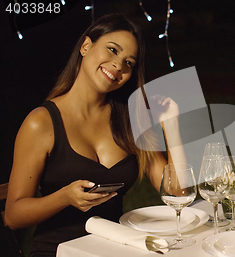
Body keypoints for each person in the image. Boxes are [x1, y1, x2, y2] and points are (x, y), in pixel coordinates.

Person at [5, 14, 185, 257]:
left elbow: (178, 192)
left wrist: (171, 125)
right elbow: (14, 216)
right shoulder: (42, 122)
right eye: (112, 50)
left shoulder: (130, 120)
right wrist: (64, 197)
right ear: (86, 46)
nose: (118, 65)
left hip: (114, 250)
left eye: (129, 62)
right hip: (57, 251)